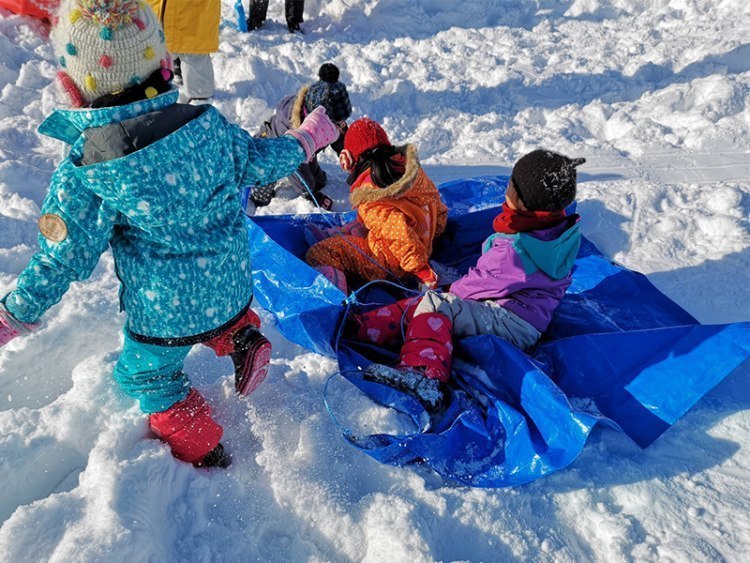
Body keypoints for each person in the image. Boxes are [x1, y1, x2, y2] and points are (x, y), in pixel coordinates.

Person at [0, 0, 339, 468]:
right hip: (233, 286)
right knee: (220, 314)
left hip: (167, 317)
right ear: (164, 64)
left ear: (70, 90)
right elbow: (263, 159)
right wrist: (307, 137)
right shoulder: (207, 127)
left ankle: (205, 448)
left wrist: (14, 315)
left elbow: (61, 259)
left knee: (145, 377)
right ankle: (240, 337)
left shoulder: (88, 170)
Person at [354, 150, 586, 411]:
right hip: (527, 313)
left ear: (522, 201)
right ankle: (365, 327)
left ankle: (422, 373)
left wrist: (448, 289)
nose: (505, 188)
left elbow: (478, 285)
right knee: (431, 303)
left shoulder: (516, 249)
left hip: (513, 322)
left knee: (437, 305)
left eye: (511, 184)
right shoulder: (558, 230)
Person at [305, 118, 448, 294]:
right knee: (368, 222)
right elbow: (438, 210)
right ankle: (340, 234)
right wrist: (433, 236)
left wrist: (421, 270)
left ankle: (338, 295)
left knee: (319, 253)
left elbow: (399, 234)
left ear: (350, 159)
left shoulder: (371, 195)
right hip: (418, 245)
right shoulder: (412, 173)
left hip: (391, 263)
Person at [250, 63, 351, 211]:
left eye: (342, 121)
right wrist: (310, 194)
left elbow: (341, 138)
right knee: (269, 175)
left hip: (305, 148)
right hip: (273, 152)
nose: (341, 126)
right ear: (318, 120)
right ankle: (258, 198)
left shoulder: (324, 122)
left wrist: (348, 154)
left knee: (319, 180)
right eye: (337, 123)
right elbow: (297, 168)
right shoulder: (290, 128)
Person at [146, 0, 220, 102]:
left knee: (193, 51)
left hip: (193, 11)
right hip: (158, 9)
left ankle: (200, 98)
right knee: (160, 43)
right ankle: (175, 69)